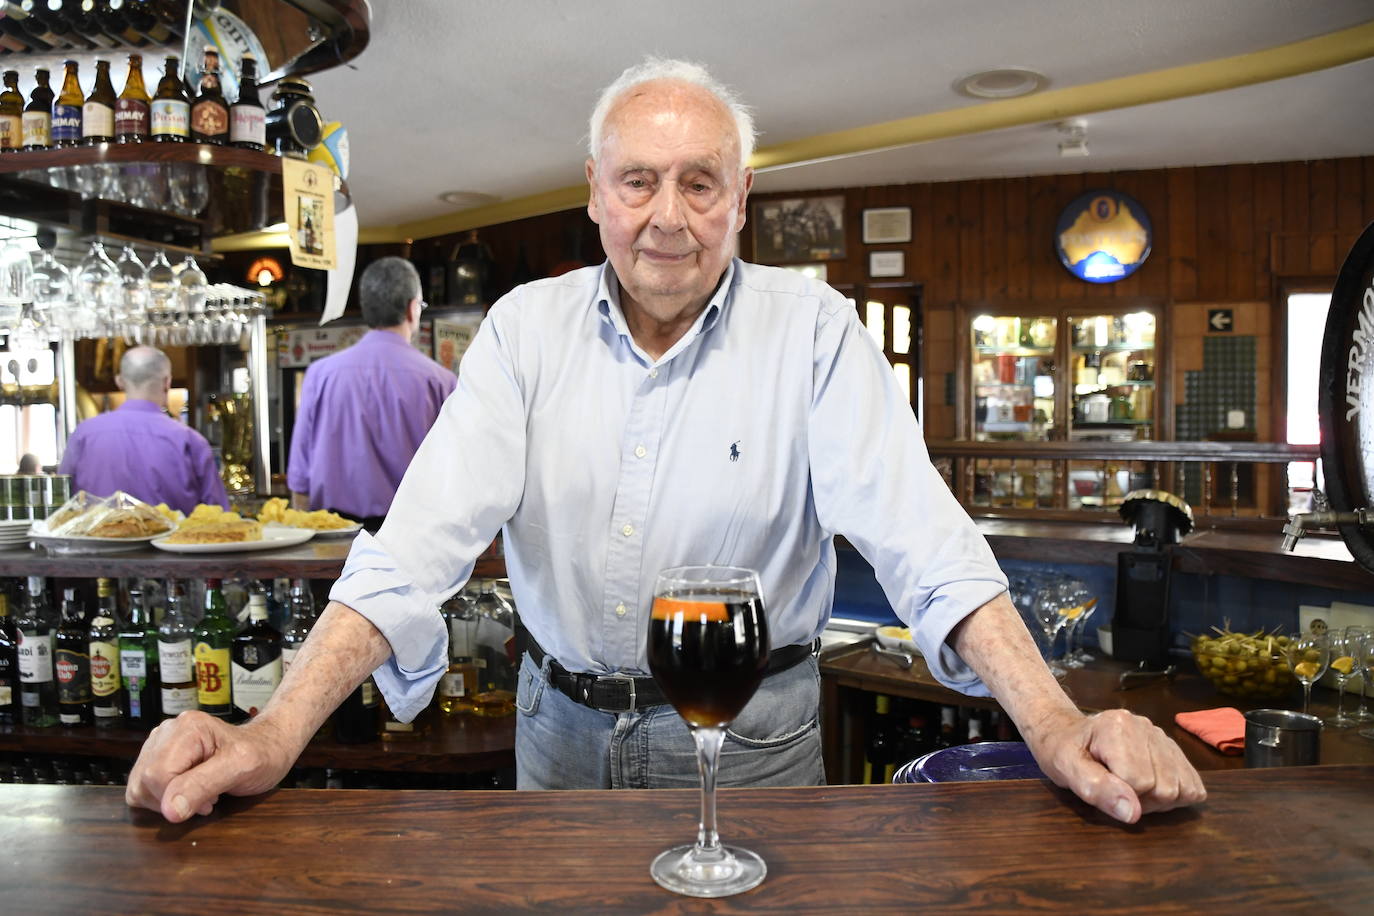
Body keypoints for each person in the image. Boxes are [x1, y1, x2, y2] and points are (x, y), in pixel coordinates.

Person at [127, 58, 1205, 824]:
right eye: (638, 179)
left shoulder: (816, 329)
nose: (668, 214)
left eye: (700, 181)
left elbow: (927, 545)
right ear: (596, 194)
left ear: (742, 197)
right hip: (557, 736)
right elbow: (414, 552)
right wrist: (270, 735)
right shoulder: (522, 332)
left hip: (759, 742)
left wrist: (1058, 728)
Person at [286, 256, 457, 530]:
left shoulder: (320, 374)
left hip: (332, 537)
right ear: (413, 309)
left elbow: (299, 478)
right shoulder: (441, 382)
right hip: (411, 538)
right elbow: (456, 474)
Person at [58, 346, 228, 514]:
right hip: (171, 540)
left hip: (96, 539)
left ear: (120, 381)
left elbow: (63, 501)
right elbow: (219, 517)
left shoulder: (84, 434)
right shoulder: (190, 440)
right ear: (167, 382)